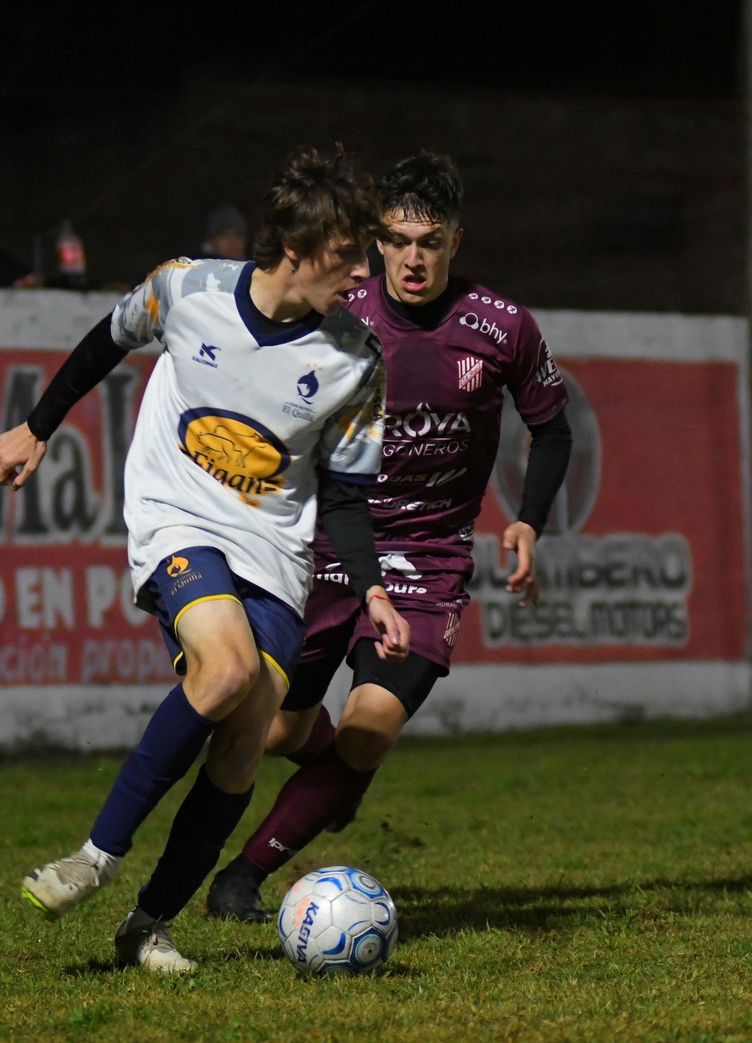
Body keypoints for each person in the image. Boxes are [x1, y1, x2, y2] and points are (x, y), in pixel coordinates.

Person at [0, 144, 411, 974]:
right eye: (346, 255)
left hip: (274, 555)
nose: (364, 273)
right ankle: (94, 857)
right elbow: (106, 339)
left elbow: (347, 496)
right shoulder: (186, 289)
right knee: (223, 671)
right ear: (295, 248)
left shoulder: (357, 360)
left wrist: (371, 589)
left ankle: (147, 924)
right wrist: (37, 426)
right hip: (176, 519)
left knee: (244, 740)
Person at [204, 150, 574, 922]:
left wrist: (528, 520)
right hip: (329, 547)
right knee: (277, 732)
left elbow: (552, 428)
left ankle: (241, 877)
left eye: (430, 242)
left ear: (455, 241)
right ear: (375, 241)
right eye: (399, 241)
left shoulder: (502, 327)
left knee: (370, 729)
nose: (413, 258)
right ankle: (331, 778)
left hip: (428, 560)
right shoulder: (337, 316)